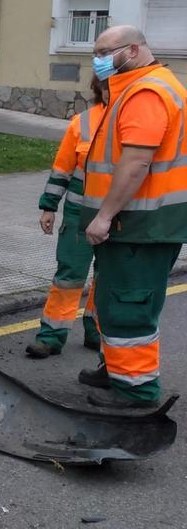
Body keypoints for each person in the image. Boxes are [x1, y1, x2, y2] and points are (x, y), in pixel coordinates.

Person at [79, 24, 187, 408]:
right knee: (114, 301)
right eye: (97, 52)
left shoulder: (146, 92)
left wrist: (104, 216)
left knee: (128, 307)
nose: (99, 60)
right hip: (142, 223)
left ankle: (135, 392)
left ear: (135, 50)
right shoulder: (143, 87)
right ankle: (116, 369)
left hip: (139, 224)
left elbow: (137, 161)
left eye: (107, 52)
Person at [25, 77, 107, 358]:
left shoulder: (133, 122)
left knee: (107, 277)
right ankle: (51, 336)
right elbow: (62, 169)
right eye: (107, 85)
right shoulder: (82, 123)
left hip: (121, 216)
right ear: (99, 89)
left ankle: (97, 330)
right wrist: (49, 207)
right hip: (79, 215)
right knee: (69, 276)